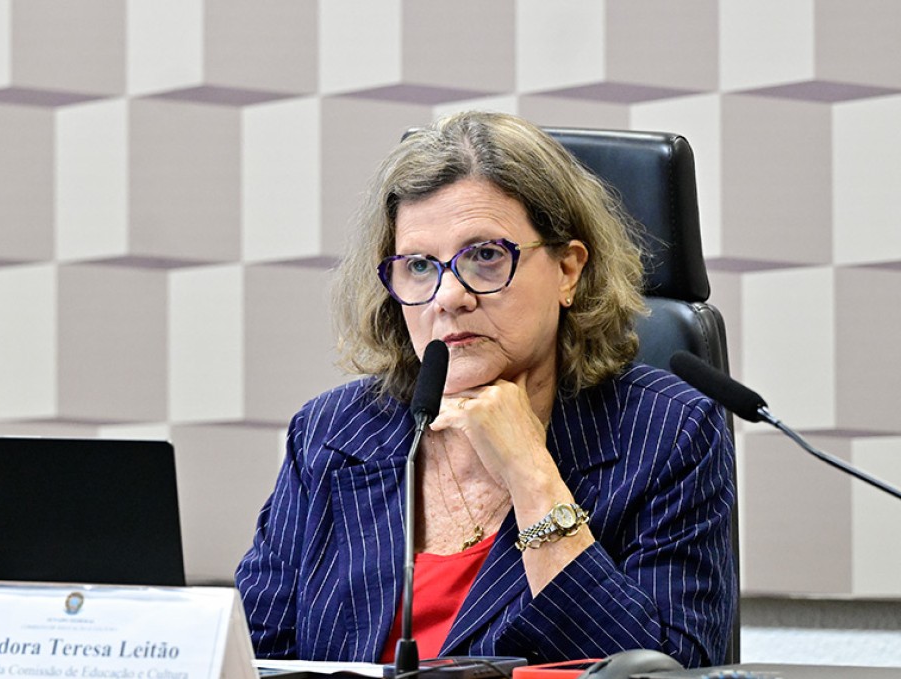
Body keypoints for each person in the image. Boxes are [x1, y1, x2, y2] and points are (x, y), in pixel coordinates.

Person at [235, 110, 736, 668]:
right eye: (419, 265)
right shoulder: (333, 433)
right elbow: (249, 655)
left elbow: (665, 671)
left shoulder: (667, 433)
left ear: (568, 270)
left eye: (486, 256)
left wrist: (532, 475)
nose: (448, 296)